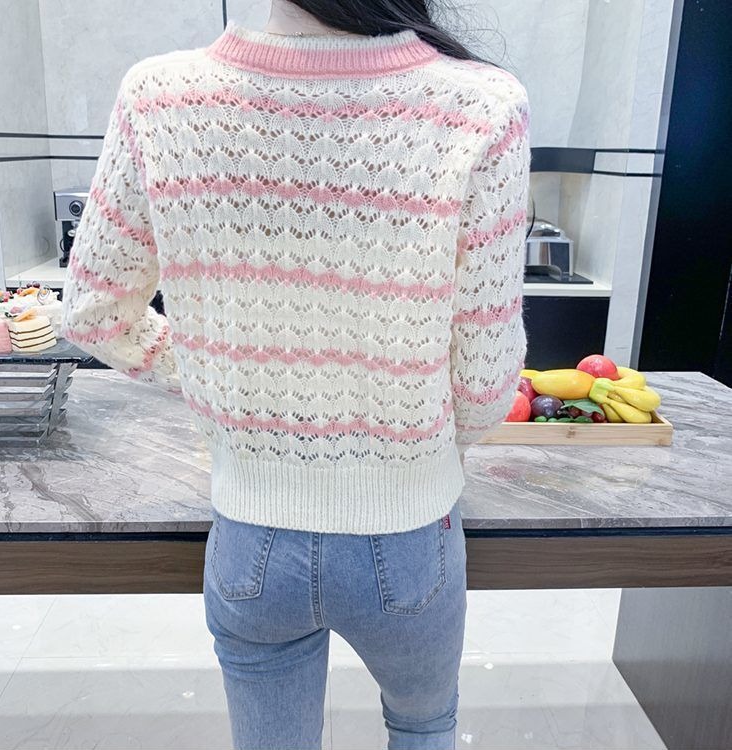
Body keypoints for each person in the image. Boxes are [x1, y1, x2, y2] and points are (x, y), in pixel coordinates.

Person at [60, 0, 531, 747]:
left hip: (250, 537)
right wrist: (418, 445)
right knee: (424, 726)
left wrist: (228, 380)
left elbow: (93, 313)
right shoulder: (483, 105)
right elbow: (483, 385)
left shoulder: (159, 96)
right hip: (409, 537)